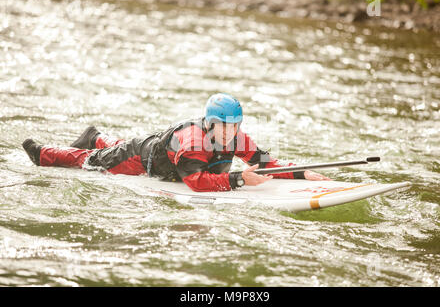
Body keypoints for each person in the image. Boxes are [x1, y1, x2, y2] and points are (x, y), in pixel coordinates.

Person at [22, 93, 330, 192]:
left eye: (236, 126)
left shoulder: (237, 137)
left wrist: (302, 172)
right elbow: (195, 180)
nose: (231, 132)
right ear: (210, 124)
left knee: (106, 148)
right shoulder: (194, 141)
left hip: (158, 151)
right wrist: (238, 179)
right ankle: (43, 154)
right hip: (139, 158)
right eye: (225, 126)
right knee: (88, 161)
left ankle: (96, 134)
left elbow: (265, 163)